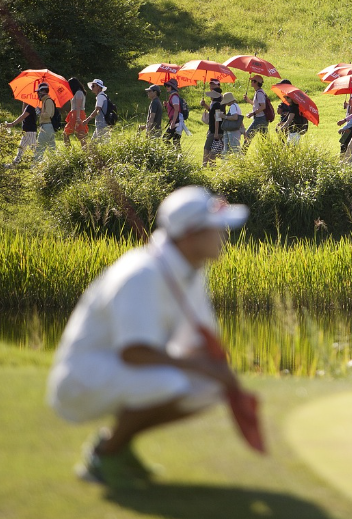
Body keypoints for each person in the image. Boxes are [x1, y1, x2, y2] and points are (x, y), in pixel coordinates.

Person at [46, 186, 249, 489]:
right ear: (191, 236)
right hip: (81, 380)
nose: (224, 236)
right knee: (172, 384)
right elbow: (134, 352)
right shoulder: (141, 274)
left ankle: (119, 445)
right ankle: (105, 454)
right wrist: (200, 365)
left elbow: (195, 338)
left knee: (210, 385)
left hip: (119, 370)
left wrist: (215, 365)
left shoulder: (192, 269)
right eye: (217, 229)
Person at [3, 101, 38, 166]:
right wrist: (24, 103)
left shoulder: (31, 106)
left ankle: (36, 165)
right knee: (21, 148)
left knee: (33, 149)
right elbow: (24, 112)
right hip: (26, 131)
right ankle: (14, 164)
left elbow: (23, 116)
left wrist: (12, 124)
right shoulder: (29, 106)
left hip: (30, 131)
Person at [200, 80, 224, 165]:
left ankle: (205, 164)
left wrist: (216, 133)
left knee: (207, 148)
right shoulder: (217, 104)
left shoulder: (217, 105)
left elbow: (217, 119)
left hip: (214, 130)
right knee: (213, 149)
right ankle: (212, 165)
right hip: (216, 130)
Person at [34, 83, 57, 162]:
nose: (38, 94)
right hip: (48, 127)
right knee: (52, 149)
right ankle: (54, 165)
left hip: (47, 127)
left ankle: (34, 167)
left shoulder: (48, 101)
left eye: (39, 92)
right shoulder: (45, 101)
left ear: (43, 91)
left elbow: (48, 114)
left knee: (39, 148)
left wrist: (39, 113)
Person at [243, 75, 268, 146]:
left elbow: (263, 106)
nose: (251, 82)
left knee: (248, 135)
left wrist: (252, 113)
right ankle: (269, 153)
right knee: (264, 138)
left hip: (260, 118)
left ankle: (243, 154)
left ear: (256, 82)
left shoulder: (259, 93)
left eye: (252, 81)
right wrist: (248, 100)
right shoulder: (258, 92)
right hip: (262, 118)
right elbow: (256, 105)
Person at [64, 77, 88, 148]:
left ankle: (69, 149)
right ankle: (85, 150)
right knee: (79, 134)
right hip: (76, 113)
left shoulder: (79, 93)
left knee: (78, 134)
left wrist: (77, 118)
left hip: (77, 114)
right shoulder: (77, 93)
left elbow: (78, 106)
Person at [163, 79, 185, 148]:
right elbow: (173, 108)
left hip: (176, 122)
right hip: (177, 122)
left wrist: (173, 123)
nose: (167, 87)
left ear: (172, 87)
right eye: (166, 86)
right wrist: (167, 105)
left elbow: (176, 109)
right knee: (176, 142)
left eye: (168, 86)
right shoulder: (173, 96)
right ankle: (177, 156)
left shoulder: (174, 96)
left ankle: (174, 154)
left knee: (165, 139)